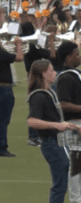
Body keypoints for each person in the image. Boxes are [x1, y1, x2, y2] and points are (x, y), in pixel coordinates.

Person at [28, 59, 81, 203]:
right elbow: (32, 121)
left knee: (63, 184)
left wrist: (73, 127)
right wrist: (56, 125)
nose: (55, 73)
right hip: (51, 143)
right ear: (43, 74)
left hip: (59, 142)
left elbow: (57, 120)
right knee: (60, 186)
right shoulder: (39, 96)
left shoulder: (49, 93)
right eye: (51, 71)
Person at [0, 36, 23, 157]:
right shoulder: (1, 52)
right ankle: (1, 148)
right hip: (4, 88)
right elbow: (19, 58)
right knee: (3, 120)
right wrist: (18, 44)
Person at [56, 41, 81, 202]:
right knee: (76, 168)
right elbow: (63, 104)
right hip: (74, 126)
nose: (79, 57)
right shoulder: (65, 78)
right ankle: (76, 200)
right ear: (68, 57)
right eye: (76, 54)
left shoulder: (75, 74)